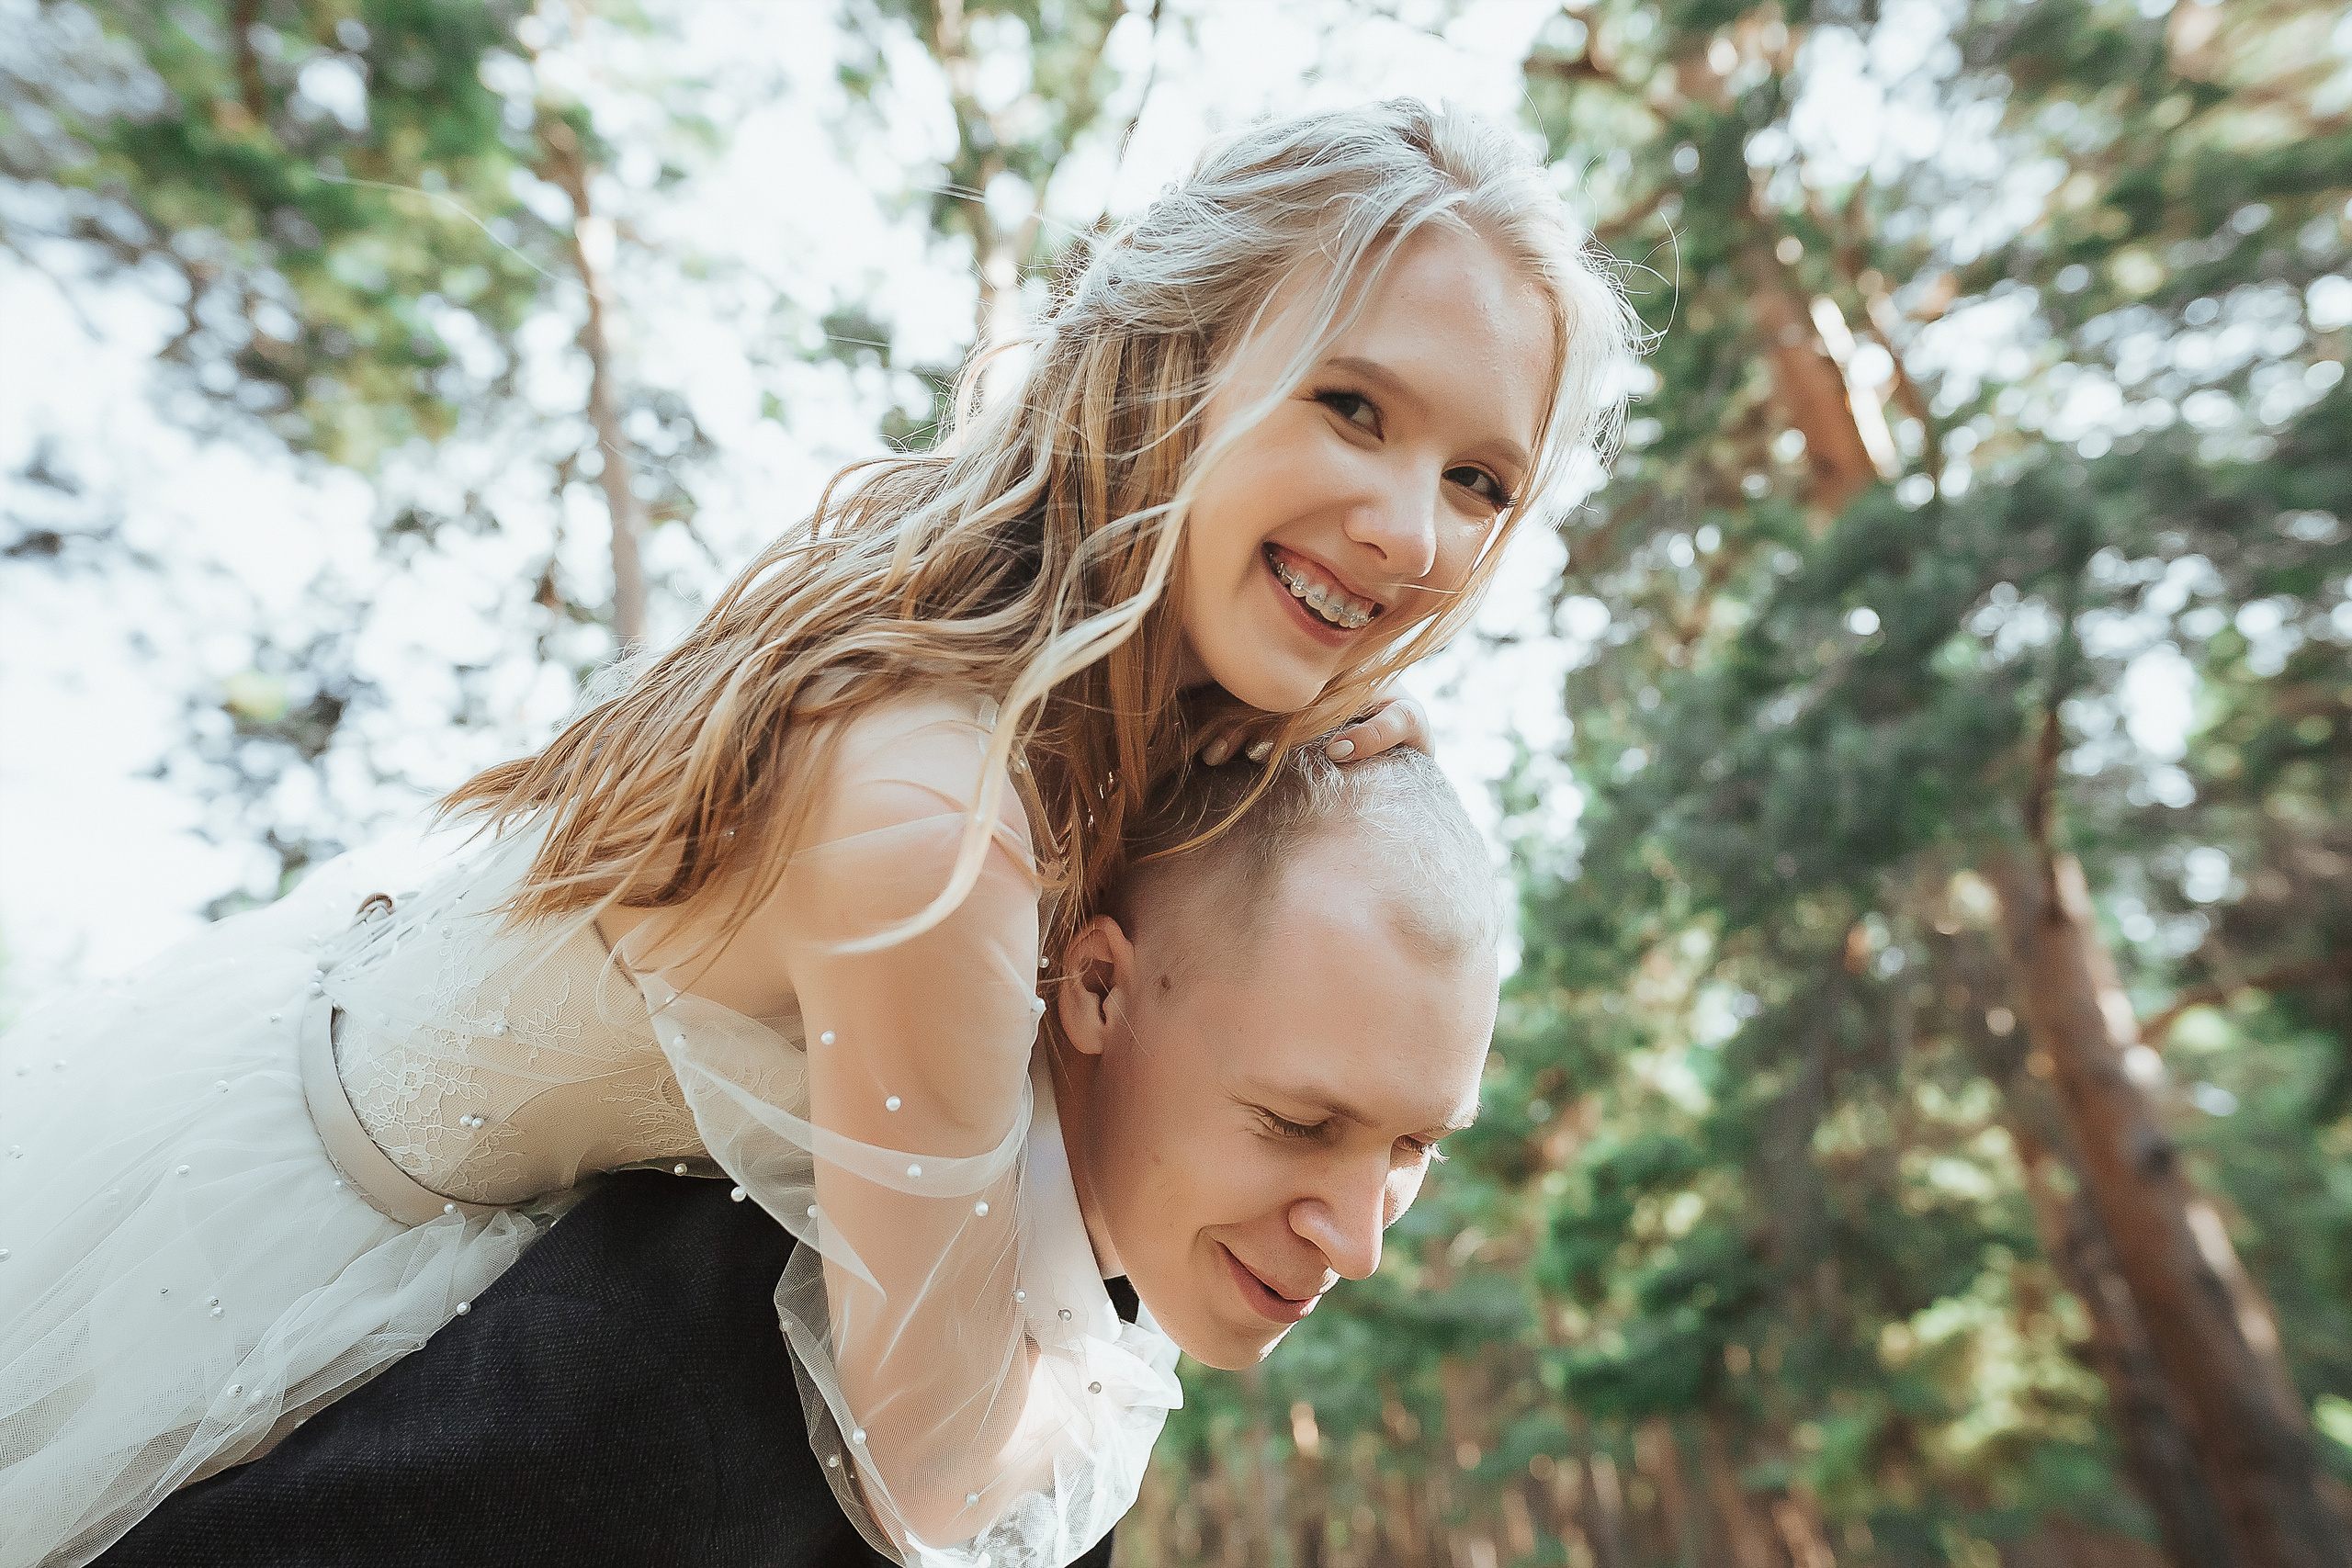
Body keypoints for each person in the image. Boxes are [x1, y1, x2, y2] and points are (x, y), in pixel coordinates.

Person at [0, 98, 1633, 1568]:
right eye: (1353, 406)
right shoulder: (939, 809)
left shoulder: (1116, 708)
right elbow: (926, 1469)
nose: (1412, 531)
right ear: (1182, 361)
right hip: (297, 1274)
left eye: (1482, 481)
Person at [94, 743, 1497, 1568]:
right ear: (1095, 990)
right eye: (1299, 1124)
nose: (1362, 1238)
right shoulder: (702, 1345)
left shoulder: (1084, 1367)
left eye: (1414, 1146)